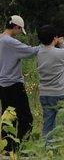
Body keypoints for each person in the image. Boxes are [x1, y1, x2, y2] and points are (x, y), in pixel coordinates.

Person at [0, 15, 40, 152]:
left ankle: (6, 148)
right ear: (16, 27)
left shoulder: (0, 39)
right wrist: (48, 46)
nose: (19, 34)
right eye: (19, 30)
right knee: (26, 118)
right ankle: (21, 147)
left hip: (2, 85)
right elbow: (31, 51)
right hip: (14, 84)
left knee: (8, 117)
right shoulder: (10, 42)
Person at [37, 25, 64, 141]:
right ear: (54, 38)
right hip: (60, 94)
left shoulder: (39, 53)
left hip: (45, 94)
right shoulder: (60, 52)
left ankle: (48, 148)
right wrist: (63, 44)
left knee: (48, 125)